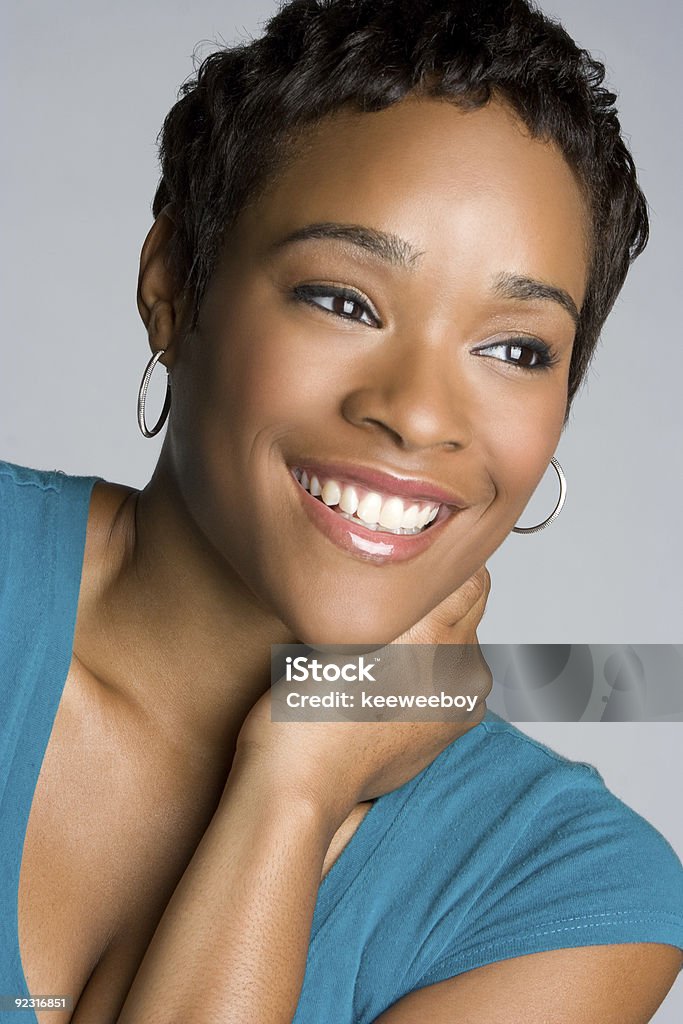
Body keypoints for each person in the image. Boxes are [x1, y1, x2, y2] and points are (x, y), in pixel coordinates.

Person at [1, 0, 682, 1021]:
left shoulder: (567, 895)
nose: (415, 414)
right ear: (173, 287)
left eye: (514, 348)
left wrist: (294, 782)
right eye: (343, 300)